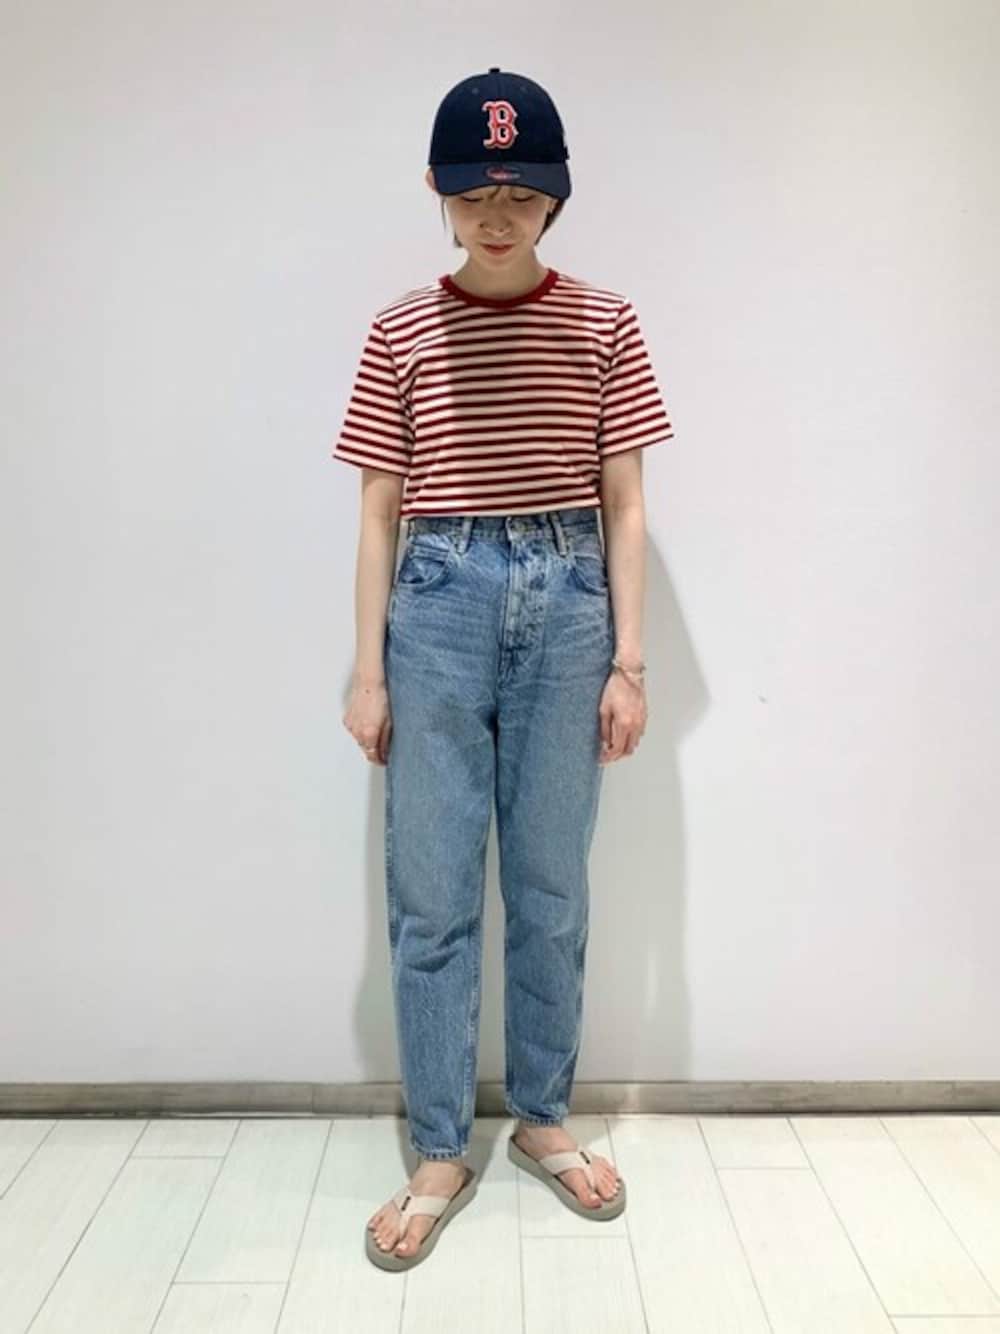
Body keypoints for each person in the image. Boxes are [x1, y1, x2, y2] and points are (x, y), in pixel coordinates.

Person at [332, 67, 675, 1271]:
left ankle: (541, 1115)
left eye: (521, 192)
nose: (496, 214)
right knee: (430, 890)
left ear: (554, 197)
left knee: (549, 883)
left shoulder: (605, 322)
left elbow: (623, 502)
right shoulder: (397, 331)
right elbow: (378, 510)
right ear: (437, 189)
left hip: (571, 603)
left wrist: (630, 660)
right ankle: (438, 1144)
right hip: (435, 601)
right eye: (474, 192)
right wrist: (366, 671)